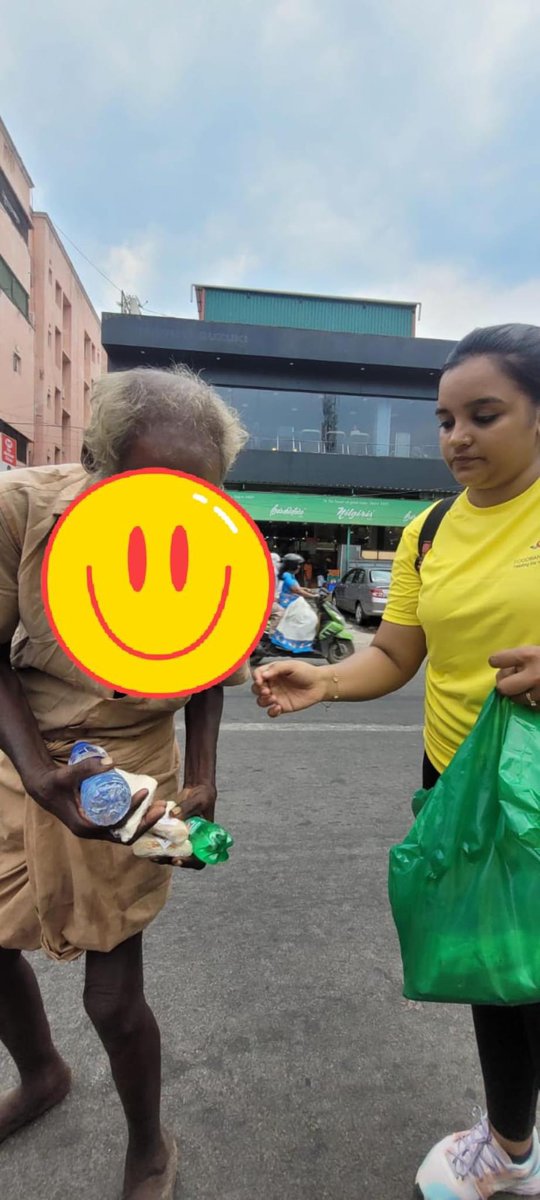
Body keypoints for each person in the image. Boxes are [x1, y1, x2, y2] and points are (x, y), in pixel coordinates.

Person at [253, 324, 540, 1200]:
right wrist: (327, 682)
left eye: (483, 415)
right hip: (462, 789)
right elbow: (397, 654)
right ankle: (511, 1150)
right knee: (499, 975)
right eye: (446, 418)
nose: (456, 437)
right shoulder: (430, 527)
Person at [0, 365, 250, 1199]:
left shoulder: (210, 540)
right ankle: (42, 1076)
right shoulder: (23, 510)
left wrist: (205, 775)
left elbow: (209, 663)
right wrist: (37, 771)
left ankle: (148, 1143)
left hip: (131, 764)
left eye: (201, 489)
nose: (178, 506)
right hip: (21, 752)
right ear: (100, 463)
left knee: (113, 996)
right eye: (153, 481)